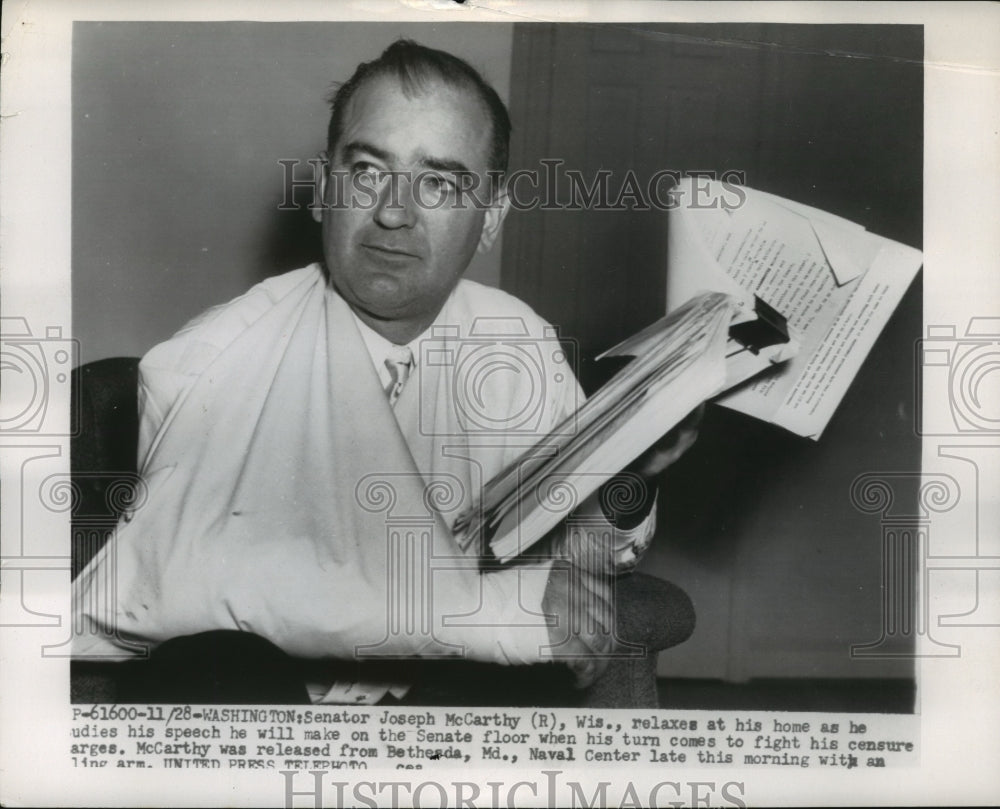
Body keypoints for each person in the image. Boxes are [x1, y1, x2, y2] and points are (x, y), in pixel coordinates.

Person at [72, 39, 698, 704]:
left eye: (438, 182)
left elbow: (578, 562)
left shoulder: (515, 341)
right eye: (369, 171)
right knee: (221, 663)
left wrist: (630, 469)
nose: (394, 211)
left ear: (489, 220)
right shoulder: (216, 357)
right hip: (265, 708)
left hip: (434, 696)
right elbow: (206, 588)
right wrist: (498, 613)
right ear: (322, 192)